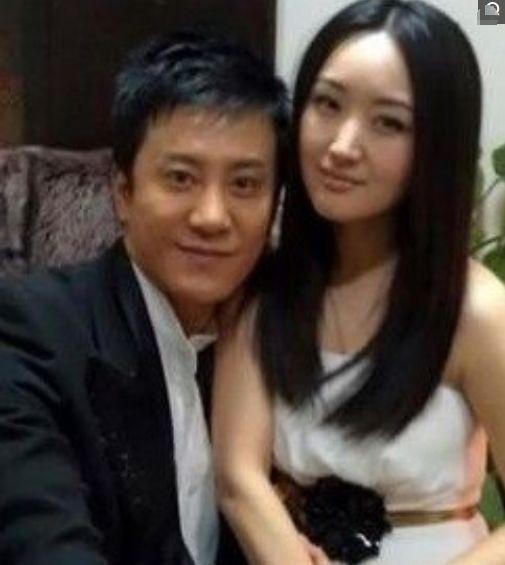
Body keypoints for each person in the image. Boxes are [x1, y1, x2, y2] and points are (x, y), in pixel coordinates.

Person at [212, 0, 505, 563]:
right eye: (327, 104)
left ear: (437, 145)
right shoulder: (265, 289)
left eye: (388, 122)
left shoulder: (475, 311)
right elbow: (238, 476)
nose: (342, 146)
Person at [0, 31, 289, 565]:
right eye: (181, 178)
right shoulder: (32, 328)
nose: (212, 217)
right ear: (123, 192)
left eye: (245, 185)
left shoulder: (282, 336)